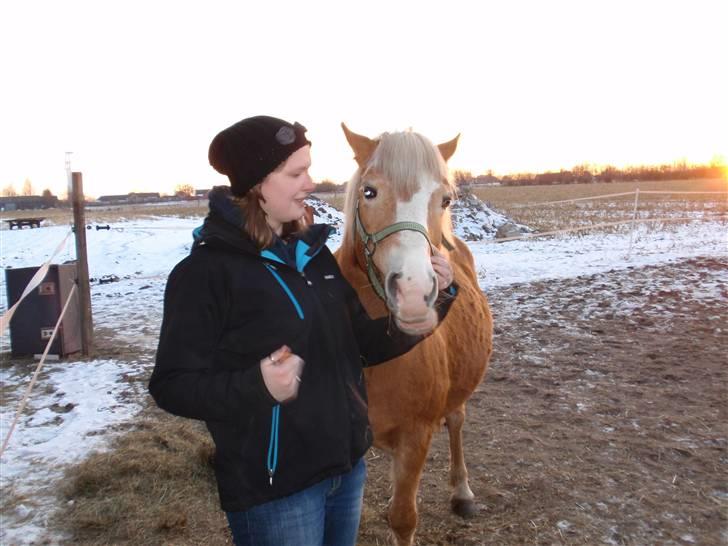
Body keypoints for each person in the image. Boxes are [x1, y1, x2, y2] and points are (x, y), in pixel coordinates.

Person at [149, 115, 457, 546]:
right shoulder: (205, 273)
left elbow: (363, 345)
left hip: (345, 472)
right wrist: (256, 385)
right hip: (276, 490)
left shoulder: (314, 259)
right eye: (296, 173)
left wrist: (434, 301)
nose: (310, 183)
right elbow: (171, 386)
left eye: (308, 170)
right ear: (258, 184)